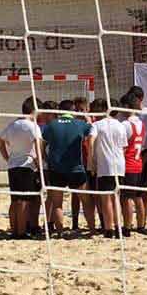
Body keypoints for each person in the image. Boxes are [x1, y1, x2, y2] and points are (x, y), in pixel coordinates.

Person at [39, 99, 92, 236]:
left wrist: (47, 159)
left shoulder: (51, 125)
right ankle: (92, 230)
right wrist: (87, 118)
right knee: (86, 201)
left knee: (57, 203)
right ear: (73, 110)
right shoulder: (80, 124)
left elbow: (41, 146)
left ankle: (60, 232)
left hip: (56, 168)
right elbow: (93, 131)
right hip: (76, 168)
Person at [0, 96, 44, 239]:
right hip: (26, 165)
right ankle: (21, 232)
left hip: (13, 166)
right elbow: (38, 143)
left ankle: (15, 229)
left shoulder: (13, 124)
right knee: (23, 200)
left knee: (15, 200)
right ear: (34, 110)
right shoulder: (32, 126)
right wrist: (39, 162)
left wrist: (7, 157)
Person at [83, 98, 131, 237]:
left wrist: (91, 163)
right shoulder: (120, 125)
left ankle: (109, 229)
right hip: (119, 164)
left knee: (106, 199)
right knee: (116, 198)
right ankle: (117, 228)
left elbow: (90, 143)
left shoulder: (97, 125)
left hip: (105, 165)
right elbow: (124, 147)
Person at [119, 87, 147, 234]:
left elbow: (123, 146)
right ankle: (140, 225)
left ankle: (129, 226)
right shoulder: (140, 124)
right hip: (137, 159)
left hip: (130, 160)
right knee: (137, 195)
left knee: (129, 196)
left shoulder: (128, 123)